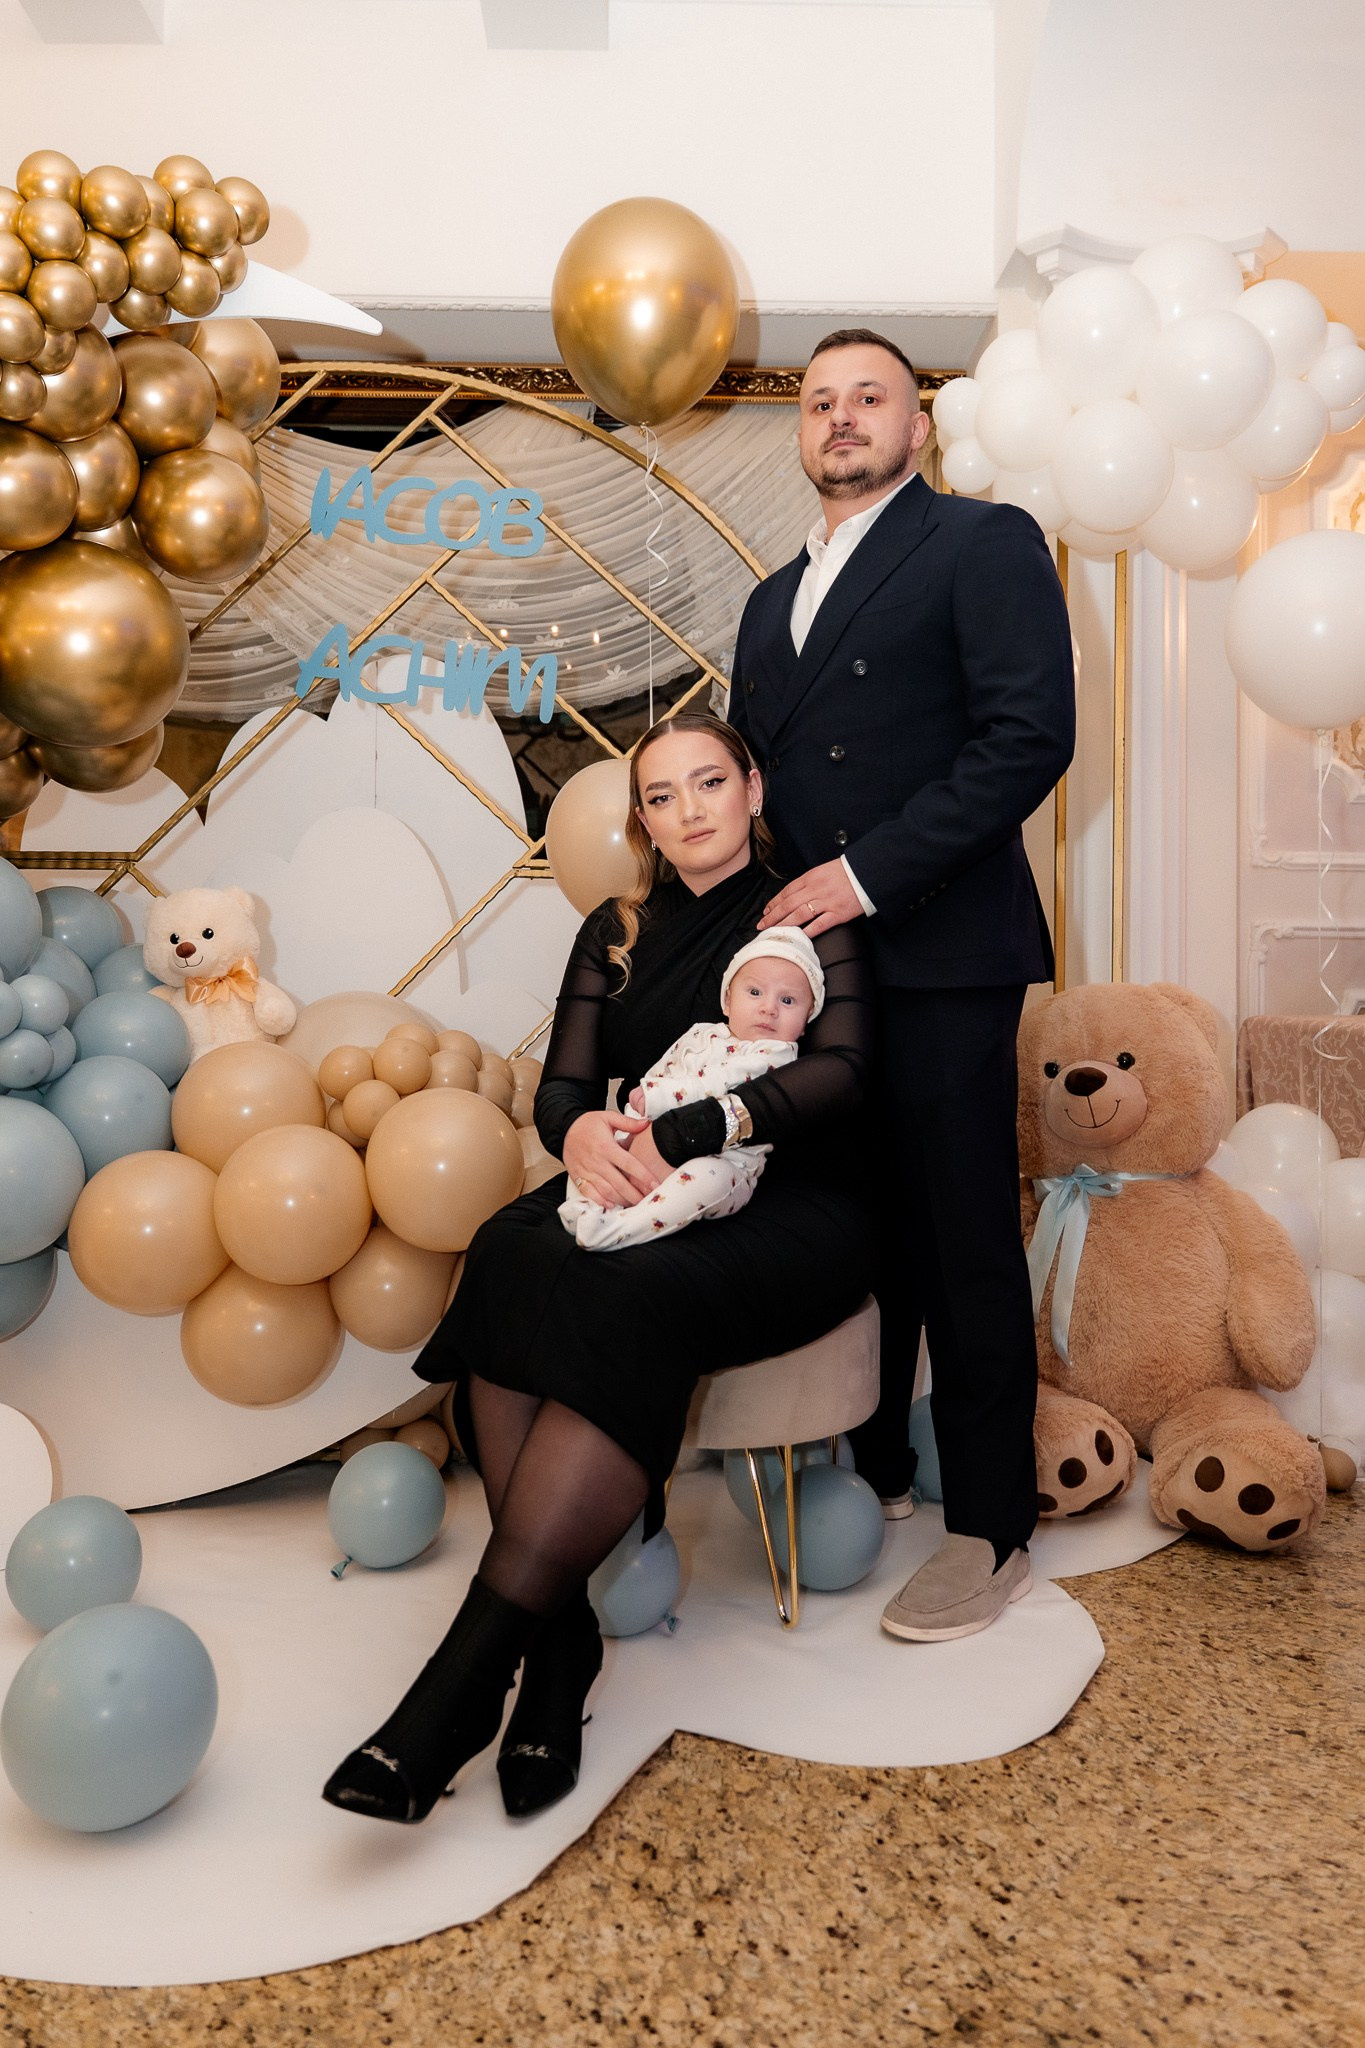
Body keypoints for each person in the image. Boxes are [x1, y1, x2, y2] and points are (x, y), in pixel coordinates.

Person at [322, 711, 875, 1827]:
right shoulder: (613, 928)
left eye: (709, 782)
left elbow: (844, 1074)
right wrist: (578, 1133)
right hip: (633, 1168)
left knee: (629, 1291)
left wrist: (699, 1127)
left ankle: (455, 1694)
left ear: (753, 788)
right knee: (509, 1250)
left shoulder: (805, 914)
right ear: (643, 822)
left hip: (789, 1195)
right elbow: (568, 1085)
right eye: (661, 796)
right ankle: (559, 1644)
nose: (689, 810)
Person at [727, 327, 1076, 1644]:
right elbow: (758, 787)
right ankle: (874, 1465)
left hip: (939, 948)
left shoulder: (981, 542)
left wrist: (864, 874)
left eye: (869, 396)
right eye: (819, 401)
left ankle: (990, 1528)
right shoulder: (769, 600)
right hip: (818, 971)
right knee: (854, 1222)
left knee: (961, 1236)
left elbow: (1028, 736)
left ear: (916, 426)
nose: (841, 417)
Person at [557, 925, 824, 1251]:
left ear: (806, 1020)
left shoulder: (777, 1055)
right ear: (728, 1001)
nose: (769, 1008)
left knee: (709, 1179)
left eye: (788, 1000)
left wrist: (657, 1096)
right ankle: (585, 1207)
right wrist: (636, 1111)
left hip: (727, 1159)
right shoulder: (702, 1034)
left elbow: (718, 1084)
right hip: (653, 1131)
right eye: (754, 992)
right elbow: (666, 1067)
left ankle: (621, 1228)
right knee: (597, 1142)